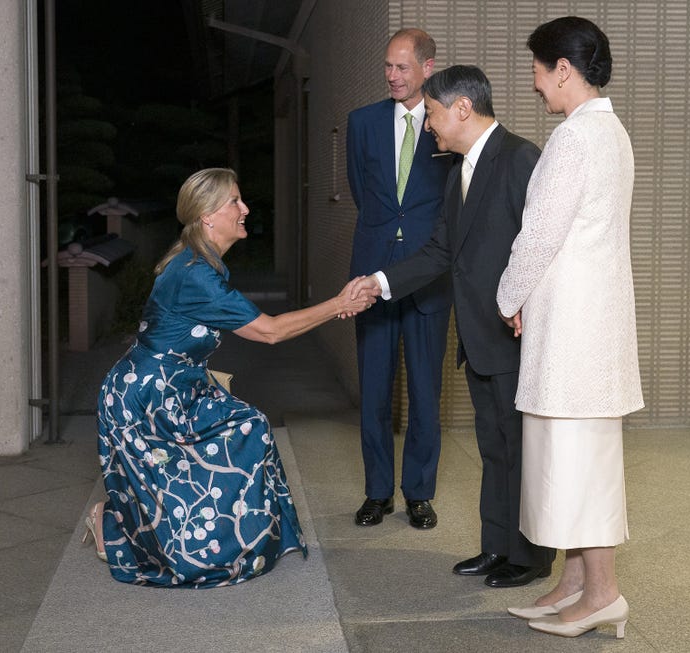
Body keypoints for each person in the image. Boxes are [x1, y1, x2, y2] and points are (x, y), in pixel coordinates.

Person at [83, 168, 374, 588]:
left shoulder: (202, 262)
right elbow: (269, 331)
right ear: (207, 216)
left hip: (179, 388)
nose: (245, 209)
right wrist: (340, 304)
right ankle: (110, 522)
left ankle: (238, 535)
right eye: (234, 202)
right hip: (143, 402)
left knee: (249, 427)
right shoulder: (194, 274)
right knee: (183, 546)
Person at [349, 65, 554, 587]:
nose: (429, 126)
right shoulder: (457, 169)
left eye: (433, 113)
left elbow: (544, 247)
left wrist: (527, 305)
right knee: (494, 446)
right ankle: (497, 545)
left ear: (463, 108)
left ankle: (530, 557)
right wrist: (379, 282)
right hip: (480, 335)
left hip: (513, 334)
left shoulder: (520, 157)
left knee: (518, 449)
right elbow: (442, 250)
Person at [496, 17, 644, 638]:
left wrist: (507, 295)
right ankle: (578, 584)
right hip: (592, 323)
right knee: (578, 453)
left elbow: (540, 234)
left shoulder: (574, 139)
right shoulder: (609, 132)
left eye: (537, 70)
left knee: (579, 459)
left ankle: (603, 592)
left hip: (574, 329)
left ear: (563, 67)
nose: (534, 84)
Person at [346, 28, 452, 529]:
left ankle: (419, 493)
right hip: (372, 276)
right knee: (374, 390)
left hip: (428, 277)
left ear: (427, 68)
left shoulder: (444, 123)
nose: (392, 76)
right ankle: (377, 492)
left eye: (402, 67)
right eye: (387, 66)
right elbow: (362, 195)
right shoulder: (362, 123)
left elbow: (454, 199)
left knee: (425, 392)